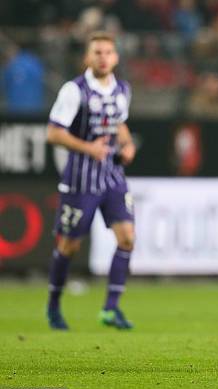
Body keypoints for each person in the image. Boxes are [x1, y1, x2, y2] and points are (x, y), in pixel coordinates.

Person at [46, 32, 136, 330]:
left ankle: (110, 309)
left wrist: (127, 145)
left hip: (112, 175)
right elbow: (53, 133)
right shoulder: (74, 90)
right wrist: (89, 148)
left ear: (116, 57)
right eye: (97, 52)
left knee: (127, 238)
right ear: (88, 57)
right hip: (80, 177)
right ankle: (54, 306)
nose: (103, 57)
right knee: (69, 246)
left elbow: (119, 124)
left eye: (108, 52)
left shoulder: (123, 89)